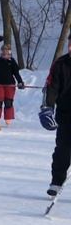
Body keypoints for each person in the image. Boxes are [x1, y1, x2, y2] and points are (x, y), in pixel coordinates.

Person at [40, 35, 71, 197]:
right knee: (62, 151)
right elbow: (51, 88)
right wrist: (47, 107)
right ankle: (56, 182)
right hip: (66, 116)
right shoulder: (60, 64)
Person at [0, 44, 25, 126]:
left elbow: (16, 74)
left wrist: (20, 82)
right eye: (3, 51)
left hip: (10, 85)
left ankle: (8, 118)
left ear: (9, 52)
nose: (5, 53)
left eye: (7, 51)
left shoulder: (12, 62)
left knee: (8, 101)